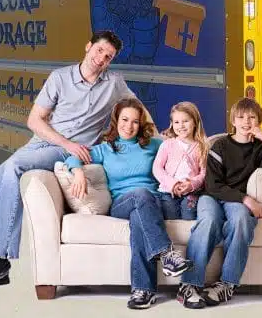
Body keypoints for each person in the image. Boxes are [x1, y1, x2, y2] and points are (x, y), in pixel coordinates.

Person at [0, 30, 136, 291]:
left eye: (108, 57)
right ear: (88, 47)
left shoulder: (114, 83)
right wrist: (66, 141)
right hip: (46, 143)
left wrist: (164, 135)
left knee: (16, 167)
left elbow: (137, 109)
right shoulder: (60, 77)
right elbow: (34, 120)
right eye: (99, 51)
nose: (101, 59)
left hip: (67, 153)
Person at [67, 97, 193, 310]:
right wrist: (78, 172)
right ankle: (167, 253)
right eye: (125, 120)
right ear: (116, 121)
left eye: (135, 122)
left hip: (154, 204)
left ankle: (144, 291)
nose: (129, 126)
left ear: (141, 124)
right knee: (140, 195)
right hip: (122, 204)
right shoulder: (106, 148)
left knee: (139, 220)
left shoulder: (154, 144)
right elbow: (71, 157)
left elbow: (180, 149)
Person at [176, 97, 262, 309]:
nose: (246, 122)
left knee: (241, 219)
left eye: (252, 117)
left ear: (259, 121)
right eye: (240, 117)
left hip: (235, 203)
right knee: (209, 221)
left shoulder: (260, 149)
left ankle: (226, 284)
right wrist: (246, 199)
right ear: (233, 120)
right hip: (212, 197)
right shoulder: (219, 146)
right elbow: (212, 186)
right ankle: (190, 285)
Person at [152, 102, 209, 221]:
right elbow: (157, 168)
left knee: (189, 217)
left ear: (195, 122)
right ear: (172, 124)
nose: (181, 125)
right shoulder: (167, 144)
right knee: (170, 219)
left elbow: (204, 173)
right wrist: (173, 184)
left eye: (186, 121)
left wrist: (192, 184)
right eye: (176, 122)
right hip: (168, 192)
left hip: (191, 193)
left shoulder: (202, 147)